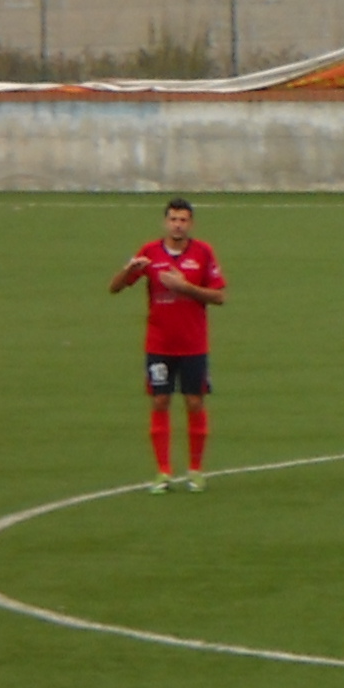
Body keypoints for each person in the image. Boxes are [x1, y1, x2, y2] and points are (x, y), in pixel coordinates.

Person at [110, 195, 225, 491]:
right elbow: (115, 288)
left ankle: (196, 471)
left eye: (183, 220)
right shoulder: (149, 252)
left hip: (193, 344)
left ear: (191, 223)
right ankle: (163, 472)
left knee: (194, 401)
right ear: (165, 222)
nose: (178, 225)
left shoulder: (203, 253)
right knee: (160, 400)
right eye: (173, 219)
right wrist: (129, 269)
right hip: (159, 343)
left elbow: (219, 296)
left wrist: (185, 288)